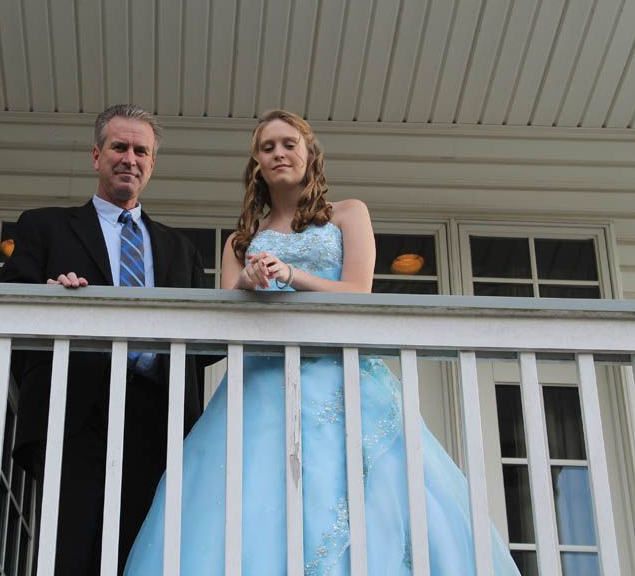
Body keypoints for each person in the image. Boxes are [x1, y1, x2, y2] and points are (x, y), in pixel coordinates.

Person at [124, 109, 521, 575]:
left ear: (309, 154)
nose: (279, 153)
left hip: (340, 379)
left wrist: (292, 274)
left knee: (368, 497)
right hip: (261, 389)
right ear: (257, 164)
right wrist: (249, 281)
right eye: (267, 147)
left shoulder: (348, 215)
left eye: (289, 143)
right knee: (247, 508)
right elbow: (227, 315)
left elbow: (359, 293)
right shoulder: (240, 242)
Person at [0, 104, 208, 575]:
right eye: (119, 147)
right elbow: (9, 303)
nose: (129, 158)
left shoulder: (181, 249)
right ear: (96, 156)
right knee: (73, 554)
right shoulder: (45, 225)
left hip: (160, 418)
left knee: (149, 555)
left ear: (152, 164)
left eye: (141, 150)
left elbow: (205, 343)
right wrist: (48, 298)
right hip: (77, 413)